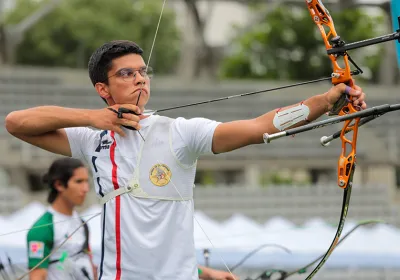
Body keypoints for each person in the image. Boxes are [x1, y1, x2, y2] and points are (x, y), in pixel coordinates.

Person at [5, 40, 367, 280]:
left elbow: (259, 127)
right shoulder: (89, 137)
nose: (140, 79)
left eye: (143, 71)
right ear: (103, 89)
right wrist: (91, 118)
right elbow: (16, 123)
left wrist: (325, 102)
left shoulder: (181, 132)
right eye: (126, 73)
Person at [26, 157, 97, 280]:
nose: (85, 189)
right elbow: (37, 276)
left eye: (87, 182)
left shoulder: (82, 223)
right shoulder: (42, 228)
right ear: (59, 185)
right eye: (79, 181)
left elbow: (89, 264)